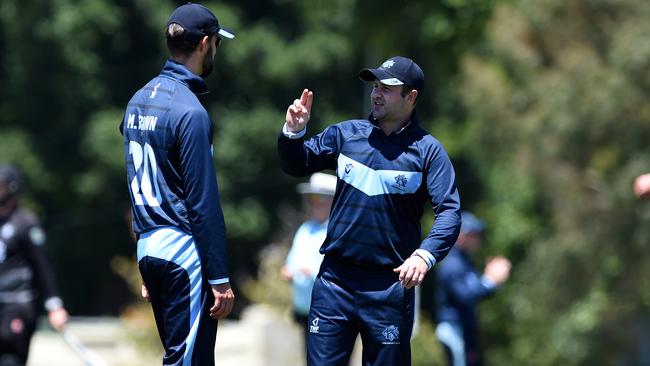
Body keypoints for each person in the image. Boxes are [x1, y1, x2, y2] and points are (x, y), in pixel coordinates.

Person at [278, 56, 462, 366]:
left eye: (387, 88)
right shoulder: (346, 135)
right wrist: (293, 133)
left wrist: (424, 255)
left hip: (389, 289)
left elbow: (450, 212)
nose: (376, 93)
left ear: (411, 96)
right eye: (375, 86)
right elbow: (297, 163)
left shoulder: (429, 151)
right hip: (334, 283)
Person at [119, 3, 235, 365]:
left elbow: (137, 182)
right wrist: (219, 276)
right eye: (217, 42)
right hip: (183, 252)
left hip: (150, 247)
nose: (216, 49)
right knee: (188, 361)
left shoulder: (136, 101)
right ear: (205, 44)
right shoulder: (191, 112)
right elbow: (203, 202)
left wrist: (147, 256)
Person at [0, 165, 68, 366]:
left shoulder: (26, 223)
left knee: (10, 357)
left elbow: (42, 266)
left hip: (18, 304)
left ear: (12, 188)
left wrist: (55, 306)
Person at [434, 211, 511, 366]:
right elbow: (465, 295)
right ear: (459, 236)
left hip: (464, 330)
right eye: (473, 234)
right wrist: (490, 280)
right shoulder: (452, 264)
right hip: (454, 329)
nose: (477, 238)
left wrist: (490, 282)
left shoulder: (465, 261)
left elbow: (476, 293)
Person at [281, 172, 337, 353]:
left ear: (332, 201)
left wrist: (310, 272)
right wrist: (289, 271)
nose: (312, 203)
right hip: (304, 311)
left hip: (330, 313)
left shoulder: (337, 232)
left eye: (317, 198)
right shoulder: (305, 229)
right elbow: (291, 263)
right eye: (310, 198)